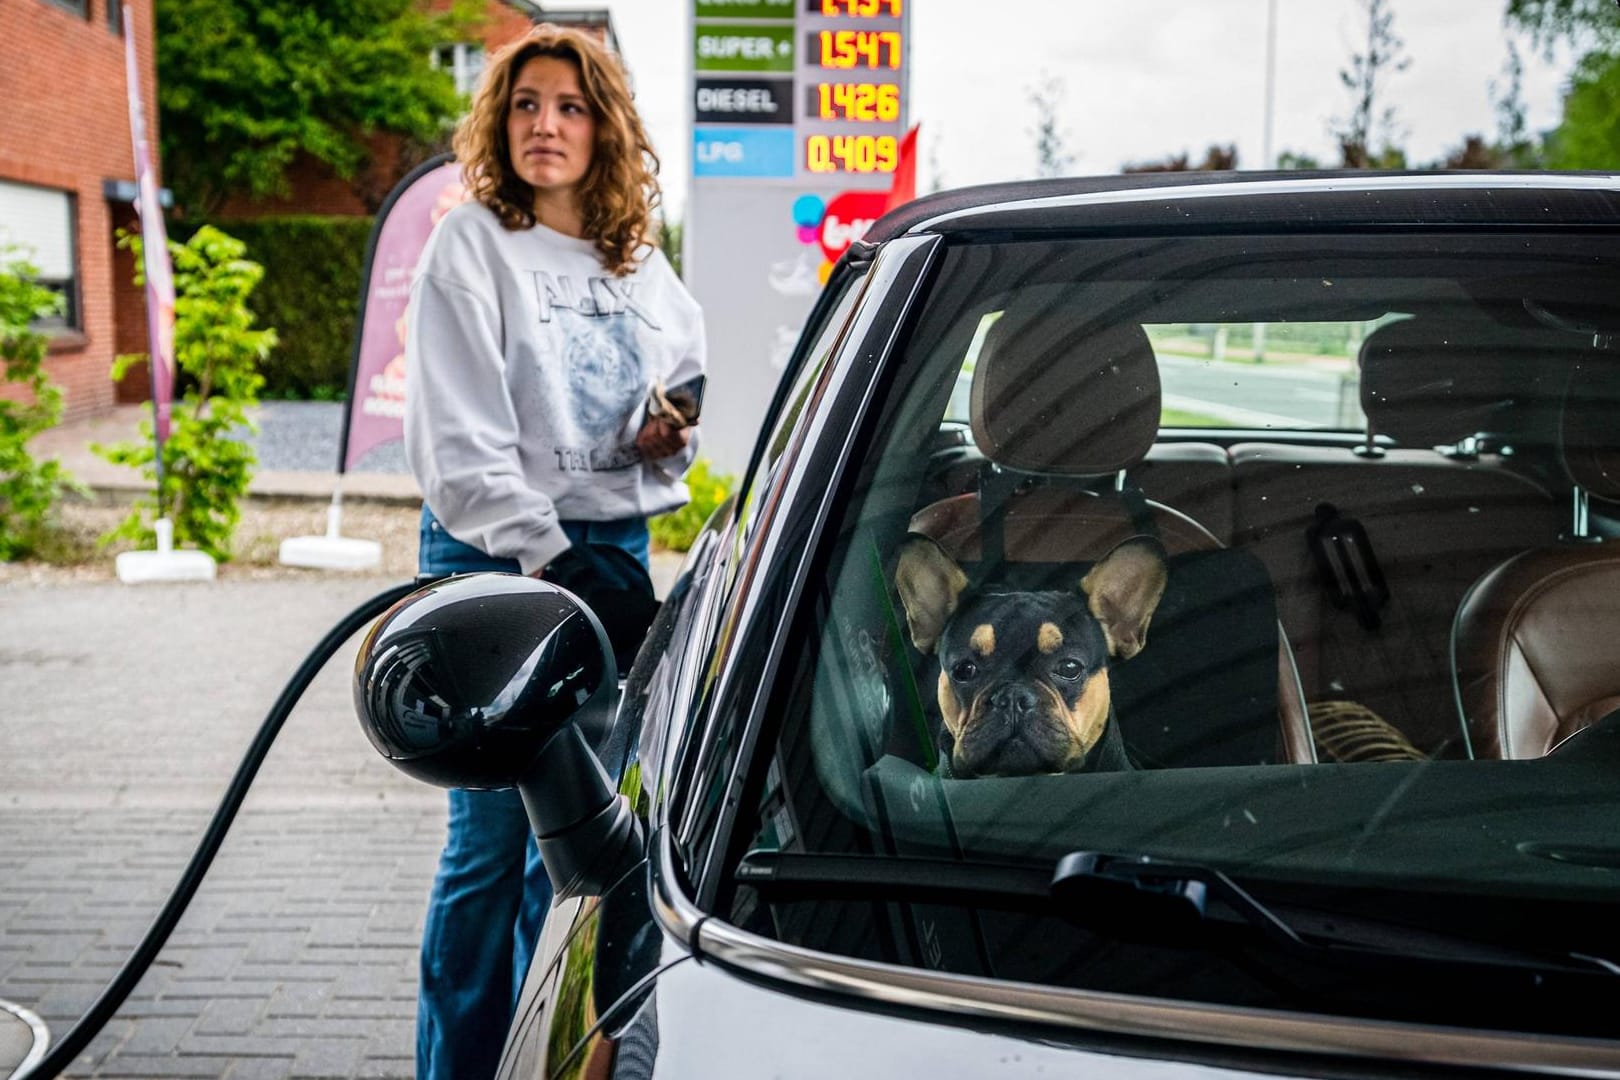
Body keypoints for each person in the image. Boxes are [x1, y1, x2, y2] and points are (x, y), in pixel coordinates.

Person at [401, 23, 704, 1080]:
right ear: (499, 121)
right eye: (526, 103)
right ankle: (456, 1067)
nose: (546, 124)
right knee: (488, 846)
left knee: (577, 848)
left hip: (612, 551)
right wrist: (548, 554)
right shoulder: (471, 244)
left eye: (570, 107)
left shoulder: (636, 260)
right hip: (496, 553)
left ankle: (546, 1060)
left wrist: (669, 428)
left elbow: (681, 381)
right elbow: (459, 441)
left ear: (604, 126)